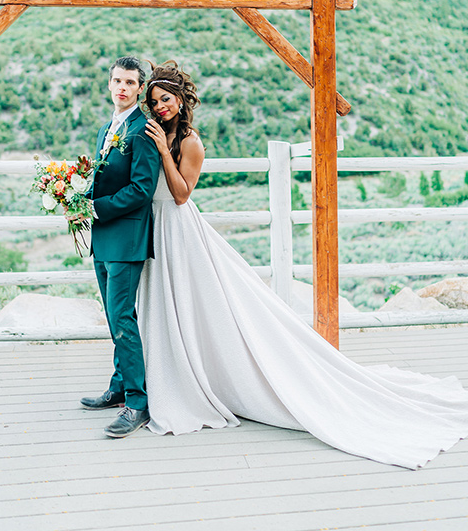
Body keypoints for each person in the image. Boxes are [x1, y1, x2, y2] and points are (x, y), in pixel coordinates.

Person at [136, 60, 468, 469]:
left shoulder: (189, 142)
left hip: (180, 228)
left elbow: (183, 194)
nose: (159, 107)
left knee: (197, 302)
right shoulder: (153, 131)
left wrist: (160, 152)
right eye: (153, 101)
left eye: (165, 99)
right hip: (154, 230)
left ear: (182, 99)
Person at [79, 56, 160, 438]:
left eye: (130, 82)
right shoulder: (105, 128)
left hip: (126, 238)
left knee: (122, 320)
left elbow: (142, 189)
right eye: (117, 81)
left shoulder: (143, 129)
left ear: (140, 88)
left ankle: (137, 403)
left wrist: (96, 207)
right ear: (109, 84)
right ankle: (116, 387)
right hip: (102, 236)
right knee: (114, 320)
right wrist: (75, 200)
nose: (122, 88)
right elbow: (103, 178)